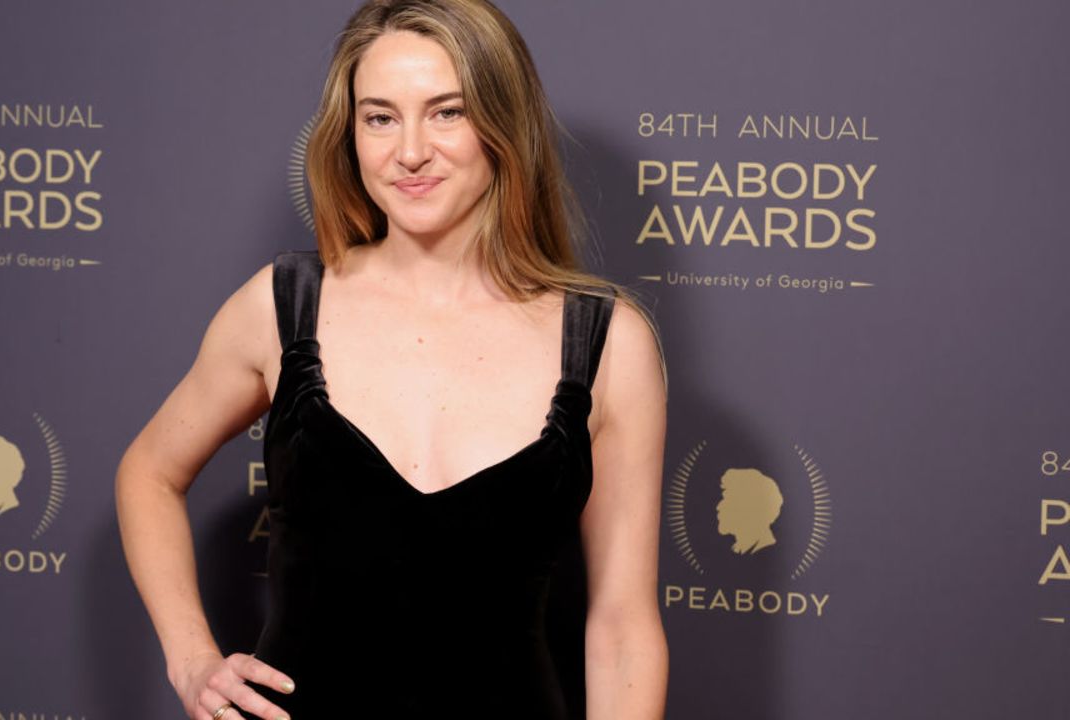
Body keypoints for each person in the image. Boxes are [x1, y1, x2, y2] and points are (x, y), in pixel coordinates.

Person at [115, 1, 669, 718]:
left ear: (505, 122)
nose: (409, 151)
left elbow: (622, 627)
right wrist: (192, 660)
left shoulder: (607, 344)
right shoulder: (281, 307)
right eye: (379, 117)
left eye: (446, 112)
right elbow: (149, 472)